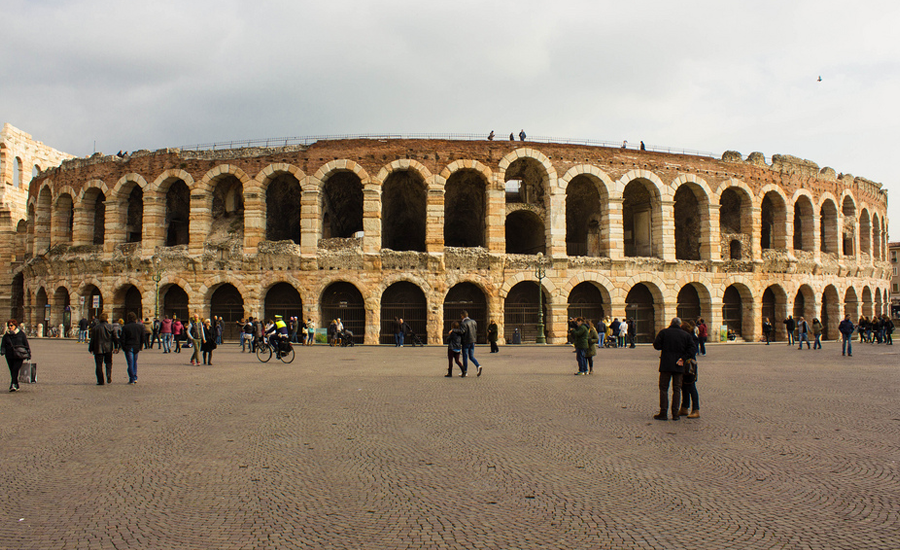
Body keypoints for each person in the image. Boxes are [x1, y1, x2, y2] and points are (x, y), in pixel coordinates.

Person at [652, 317, 695, 421]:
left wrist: (665, 346)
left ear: (671, 323)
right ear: (680, 325)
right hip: (679, 365)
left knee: (663, 389)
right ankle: (675, 414)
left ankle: (663, 412)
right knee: (676, 389)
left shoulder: (664, 333)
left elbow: (656, 345)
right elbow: (693, 349)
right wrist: (683, 358)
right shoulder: (685, 335)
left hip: (666, 364)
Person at [678, 320, 700, 418]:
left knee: (691, 387)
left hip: (690, 365)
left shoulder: (691, 338)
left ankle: (696, 409)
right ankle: (684, 408)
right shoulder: (686, 337)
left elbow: (692, 350)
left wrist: (683, 357)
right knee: (684, 387)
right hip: (684, 365)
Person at [89, 312, 119, 385]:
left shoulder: (95, 328)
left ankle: (100, 380)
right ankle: (108, 374)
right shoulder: (110, 327)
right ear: (107, 319)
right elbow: (115, 337)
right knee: (108, 362)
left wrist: (91, 348)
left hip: (98, 348)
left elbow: (92, 339)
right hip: (108, 348)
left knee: (99, 365)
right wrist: (116, 347)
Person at [2, 319, 31, 392]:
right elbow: (3, 344)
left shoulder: (21, 334)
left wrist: (28, 353)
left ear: (15, 326)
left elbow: (26, 344)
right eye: (9, 325)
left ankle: (13, 384)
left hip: (19, 355)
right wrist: (2, 351)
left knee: (15, 369)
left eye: (11, 325)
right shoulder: (6, 335)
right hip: (9, 355)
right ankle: (16, 384)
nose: (10, 327)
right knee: (12, 370)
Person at [121, 312, 144, 385]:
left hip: (128, 346)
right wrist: (141, 345)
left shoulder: (125, 327)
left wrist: (123, 347)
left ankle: (132, 379)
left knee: (130, 363)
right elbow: (142, 337)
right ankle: (135, 377)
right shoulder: (139, 327)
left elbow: (123, 339)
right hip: (136, 346)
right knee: (135, 362)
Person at [460, 311, 482, 377]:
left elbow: (462, 332)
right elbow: (475, 331)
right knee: (471, 356)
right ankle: (478, 365)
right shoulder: (474, 322)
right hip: (472, 341)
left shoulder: (463, 323)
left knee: (465, 357)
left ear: (463, 316)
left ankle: (465, 372)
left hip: (466, 342)